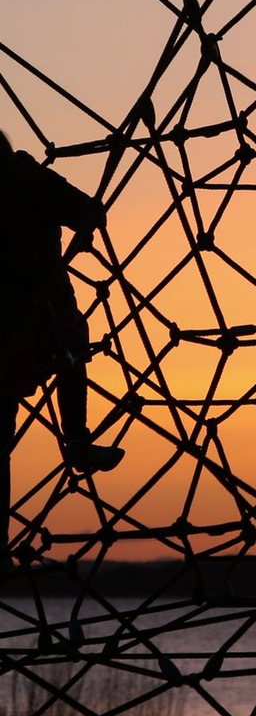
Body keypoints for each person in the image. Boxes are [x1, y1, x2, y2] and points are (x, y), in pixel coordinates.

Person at [0, 132, 124, 541]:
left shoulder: (36, 185)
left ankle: (77, 441)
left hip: (39, 319)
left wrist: (85, 218)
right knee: (70, 356)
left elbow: (90, 212)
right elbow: (90, 212)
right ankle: (77, 440)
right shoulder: (37, 182)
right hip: (25, 324)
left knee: (70, 354)